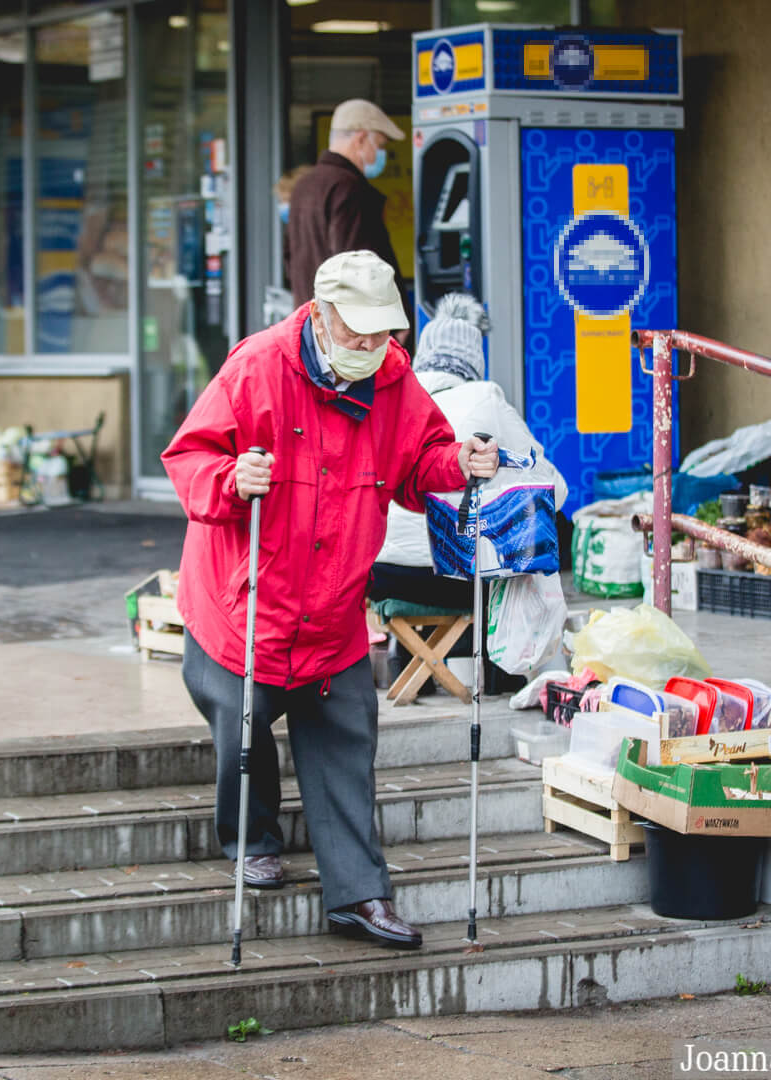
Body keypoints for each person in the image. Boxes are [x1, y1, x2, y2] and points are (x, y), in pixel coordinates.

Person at [163, 250, 498, 950]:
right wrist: (232, 479)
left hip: (335, 605)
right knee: (243, 723)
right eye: (357, 332)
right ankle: (251, 839)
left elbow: (419, 461)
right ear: (319, 315)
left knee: (348, 738)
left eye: (383, 334)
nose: (371, 347)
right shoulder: (257, 366)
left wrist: (458, 462)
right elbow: (189, 458)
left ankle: (359, 895)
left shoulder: (393, 377)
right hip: (246, 601)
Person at [369, 293, 566, 692]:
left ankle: (408, 663)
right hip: (460, 578)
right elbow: (553, 489)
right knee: (534, 533)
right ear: (475, 358)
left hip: (381, 575)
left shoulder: (386, 399)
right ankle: (510, 674)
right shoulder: (485, 397)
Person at [285, 100, 404, 308]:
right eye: (380, 145)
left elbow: (290, 258)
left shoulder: (303, 186)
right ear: (361, 139)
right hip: (348, 322)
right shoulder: (349, 188)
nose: (381, 153)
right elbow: (357, 270)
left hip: (312, 316)